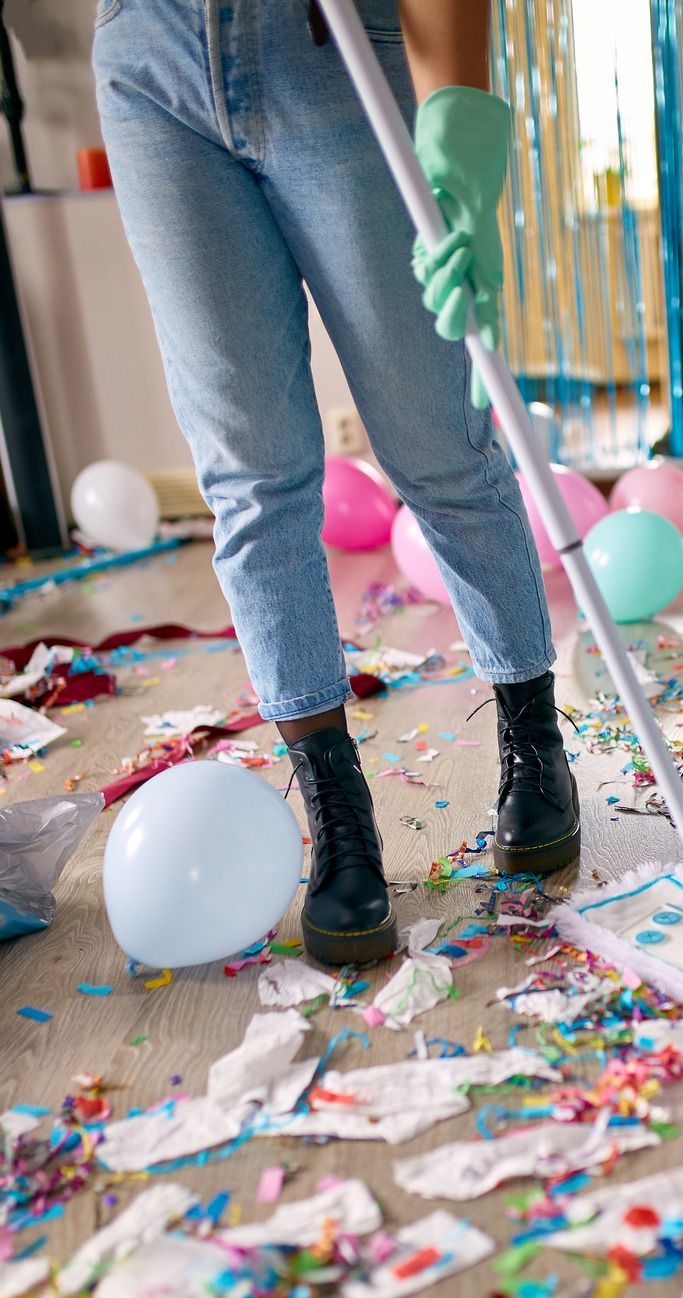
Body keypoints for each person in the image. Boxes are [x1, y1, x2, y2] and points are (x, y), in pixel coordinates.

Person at [92, 0, 579, 966]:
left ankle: (533, 738)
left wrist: (458, 114)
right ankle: (335, 805)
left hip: (329, 45)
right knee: (248, 477)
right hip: (151, 61)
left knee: (436, 444)